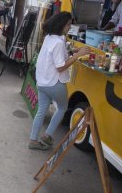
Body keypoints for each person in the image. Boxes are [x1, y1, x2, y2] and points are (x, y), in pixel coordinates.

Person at [29, 12, 90, 150]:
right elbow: (61, 66)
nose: (70, 27)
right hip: (54, 83)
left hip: (42, 82)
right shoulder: (58, 42)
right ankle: (47, 136)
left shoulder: (50, 37)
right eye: (68, 24)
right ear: (61, 25)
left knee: (41, 111)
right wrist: (78, 55)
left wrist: (73, 50)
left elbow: (57, 55)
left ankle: (33, 140)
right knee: (62, 108)